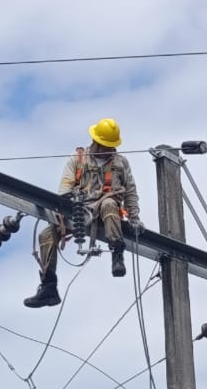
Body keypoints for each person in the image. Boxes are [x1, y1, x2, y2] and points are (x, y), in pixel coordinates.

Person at [24, 118, 142, 309]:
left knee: (110, 205)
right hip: (81, 209)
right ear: (95, 142)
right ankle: (49, 287)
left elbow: (130, 191)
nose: (108, 150)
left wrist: (134, 217)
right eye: (104, 146)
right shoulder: (78, 159)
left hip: (105, 208)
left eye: (111, 147)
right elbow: (65, 188)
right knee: (46, 235)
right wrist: (66, 209)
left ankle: (117, 254)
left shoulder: (121, 163)